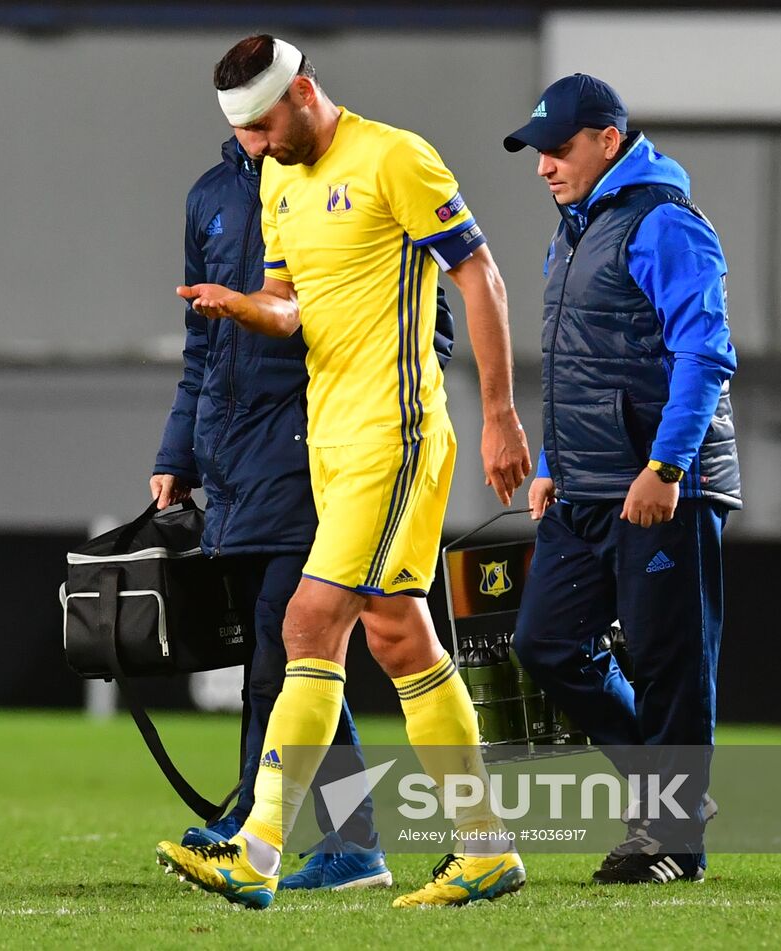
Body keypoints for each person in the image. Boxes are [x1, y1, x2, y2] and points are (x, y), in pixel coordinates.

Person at [153, 35, 530, 910]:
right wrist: (246, 306)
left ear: (303, 93)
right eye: (238, 132)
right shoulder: (279, 179)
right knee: (399, 635)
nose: (253, 145)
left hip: (394, 435)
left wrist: (501, 414)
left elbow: (479, 275)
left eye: (261, 123)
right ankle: (485, 847)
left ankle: (259, 848)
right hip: (331, 442)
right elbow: (290, 306)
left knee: (308, 620)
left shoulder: (395, 156)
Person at [150, 132, 459, 891]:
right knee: (296, 643)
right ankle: (340, 837)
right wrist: (178, 452)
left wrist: (347, 397)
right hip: (236, 458)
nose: (258, 135)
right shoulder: (211, 197)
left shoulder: (350, 183)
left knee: (290, 636)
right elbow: (205, 347)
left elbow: (431, 328)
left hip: (318, 448)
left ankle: (266, 832)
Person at [502, 74, 740, 885]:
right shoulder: (575, 231)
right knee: (545, 642)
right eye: (538, 153)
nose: (543, 167)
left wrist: (666, 466)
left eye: (558, 149)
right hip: (585, 487)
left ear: (609, 141)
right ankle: (670, 793)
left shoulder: (666, 224)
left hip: (662, 487)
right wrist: (549, 465)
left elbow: (705, 355)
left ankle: (674, 842)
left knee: (670, 663)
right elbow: (576, 366)